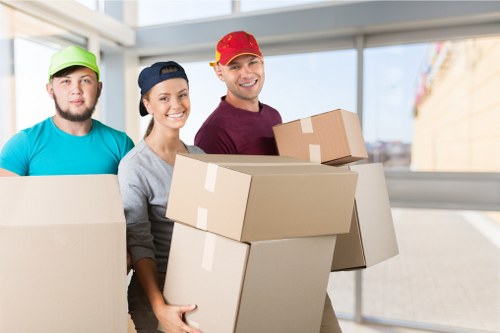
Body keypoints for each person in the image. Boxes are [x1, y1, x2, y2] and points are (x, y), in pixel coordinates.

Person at [194, 30, 342, 333]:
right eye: (235, 66)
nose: (247, 73)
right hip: (255, 264)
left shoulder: (273, 115)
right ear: (219, 71)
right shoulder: (213, 132)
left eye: (253, 62)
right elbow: (217, 212)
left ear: (263, 64)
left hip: (293, 246)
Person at [118, 61, 204, 333]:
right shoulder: (135, 166)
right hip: (157, 289)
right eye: (164, 98)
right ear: (148, 104)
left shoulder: (200, 156)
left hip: (198, 283)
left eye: (182, 94)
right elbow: (139, 242)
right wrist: (159, 307)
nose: (176, 105)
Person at [0, 45, 134, 177]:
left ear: (98, 89)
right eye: (66, 81)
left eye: (85, 81)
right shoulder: (23, 144)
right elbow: (6, 198)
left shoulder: (121, 144)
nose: (76, 89)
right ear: (50, 90)